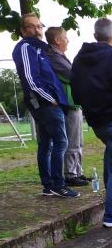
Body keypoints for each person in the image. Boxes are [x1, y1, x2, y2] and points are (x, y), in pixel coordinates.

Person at [71, 18, 112, 227]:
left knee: (110, 160)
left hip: (96, 121)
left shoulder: (80, 59)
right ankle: (111, 214)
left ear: (95, 35)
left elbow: (76, 93)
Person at [12, 13, 80, 198]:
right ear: (23, 30)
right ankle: (59, 184)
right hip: (44, 103)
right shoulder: (26, 47)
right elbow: (30, 79)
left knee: (47, 144)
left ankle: (49, 185)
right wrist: (49, 98)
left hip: (49, 101)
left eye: (39, 26)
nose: (37, 30)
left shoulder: (41, 49)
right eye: (31, 27)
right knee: (61, 141)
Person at [45, 26, 88, 187]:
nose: (67, 40)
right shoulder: (54, 57)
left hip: (73, 102)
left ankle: (78, 171)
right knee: (72, 139)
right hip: (68, 103)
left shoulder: (59, 56)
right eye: (65, 37)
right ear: (57, 40)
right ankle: (70, 173)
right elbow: (73, 75)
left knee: (78, 139)